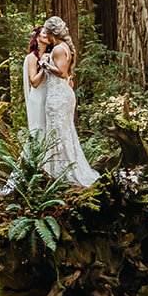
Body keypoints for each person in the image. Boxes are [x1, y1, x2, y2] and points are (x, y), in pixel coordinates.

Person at [35, 15, 100, 187]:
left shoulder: (58, 49)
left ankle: (61, 172)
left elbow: (62, 73)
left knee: (58, 132)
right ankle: (58, 169)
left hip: (58, 96)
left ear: (52, 33)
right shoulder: (65, 47)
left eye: (46, 31)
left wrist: (44, 64)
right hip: (62, 94)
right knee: (62, 131)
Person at [23, 25, 51, 145]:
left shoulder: (52, 55)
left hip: (49, 96)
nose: (47, 35)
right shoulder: (32, 57)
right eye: (44, 33)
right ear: (37, 37)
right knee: (38, 131)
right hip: (37, 98)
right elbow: (34, 83)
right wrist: (44, 66)